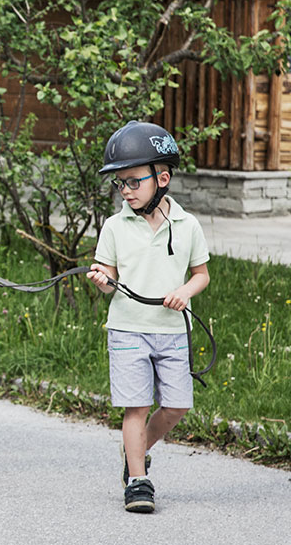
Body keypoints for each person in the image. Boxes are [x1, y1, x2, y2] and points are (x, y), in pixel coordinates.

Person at [87, 121, 211, 514]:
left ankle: (134, 452)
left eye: (132, 182)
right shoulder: (114, 225)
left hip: (173, 330)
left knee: (176, 407)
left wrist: (184, 292)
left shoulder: (188, 225)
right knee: (136, 407)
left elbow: (201, 275)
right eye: (119, 184)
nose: (125, 191)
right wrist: (102, 280)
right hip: (128, 330)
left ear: (162, 177)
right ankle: (138, 481)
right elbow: (108, 278)